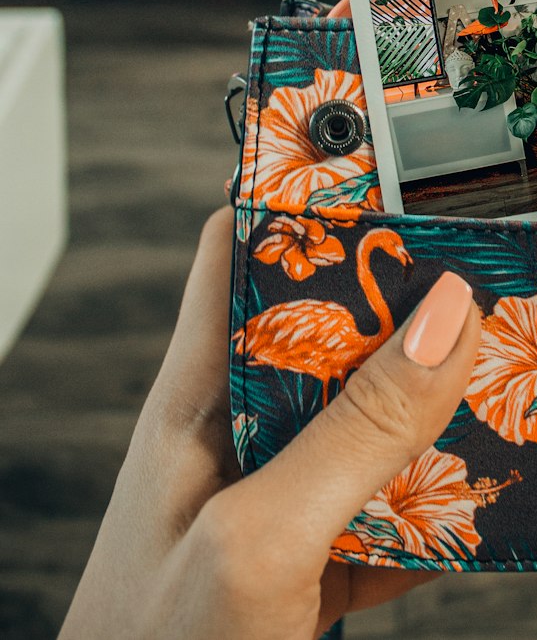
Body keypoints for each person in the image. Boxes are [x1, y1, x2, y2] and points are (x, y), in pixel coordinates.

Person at [59, 208, 480, 640]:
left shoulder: (345, 318)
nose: (402, 259)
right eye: (396, 250)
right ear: (380, 251)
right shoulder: (333, 326)